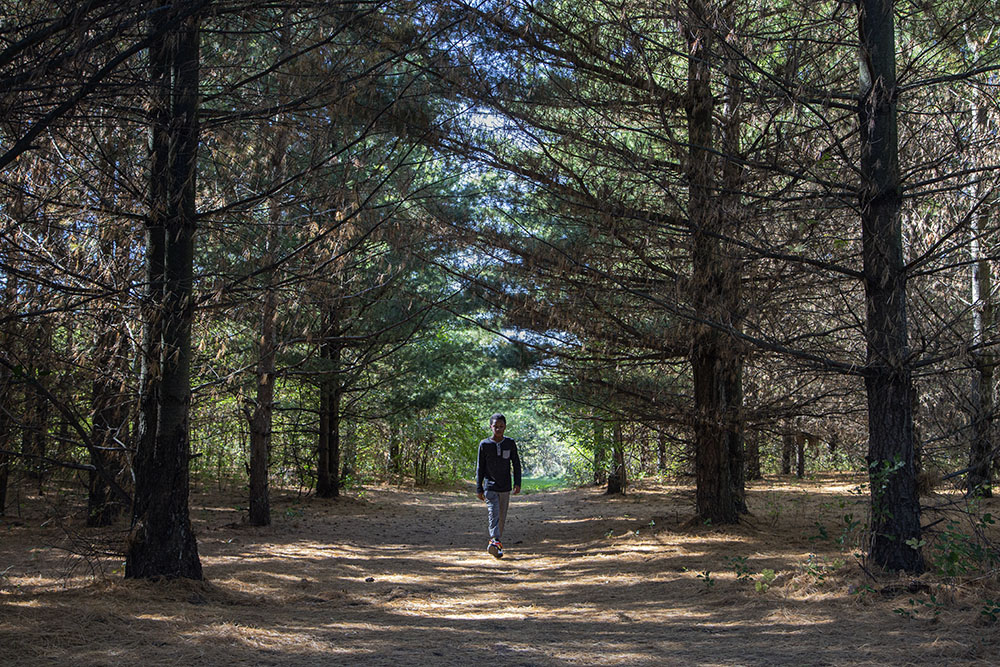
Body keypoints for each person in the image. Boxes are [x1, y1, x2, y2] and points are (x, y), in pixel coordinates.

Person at [475, 413, 521, 558]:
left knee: (501, 516)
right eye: (496, 426)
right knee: (493, 513)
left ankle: (497, 544)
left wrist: (517, 482)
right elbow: (480, 467)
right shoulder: (484, 445)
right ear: (491, 427)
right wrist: (479, 487)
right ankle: (494, 540)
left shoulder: (510, 443)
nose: (498, 429)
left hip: (505, 486)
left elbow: (516, 464)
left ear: (505, 427)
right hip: (490, 487)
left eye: (501, 426)